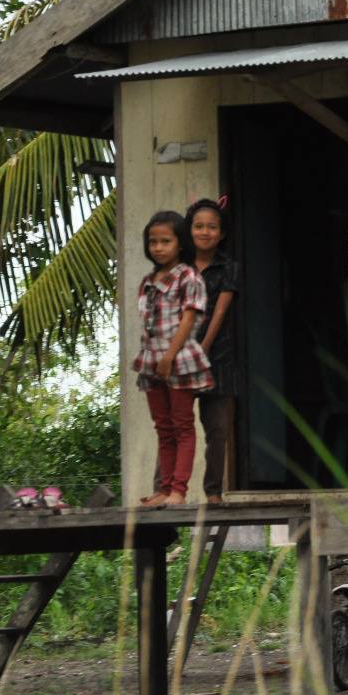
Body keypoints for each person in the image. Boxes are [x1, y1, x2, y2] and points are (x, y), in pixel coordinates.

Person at [134, 211, 213, 507]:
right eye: (153, 242)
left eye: (165, 241)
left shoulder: (188, 277)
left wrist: (169, 356)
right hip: (152, 361)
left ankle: (178, 490)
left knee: (182, 425)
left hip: (178, 359)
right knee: (163, 428)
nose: (158, 247)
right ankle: (164, 489)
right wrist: (155, 359)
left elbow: (188, 319)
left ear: (180, 244)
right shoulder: (147, 281)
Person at [185, 197, 240, 504]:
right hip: (180, 358)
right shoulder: (177, 267)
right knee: (176, 426)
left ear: (221, 233)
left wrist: (202, 349)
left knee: (217, 429)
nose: (205, 232)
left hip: (217, 359)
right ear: (188, 230)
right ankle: (168, 489)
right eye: (198, 226)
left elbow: (218, 314)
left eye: (212, 226)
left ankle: (213, 492)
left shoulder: (228, 268)